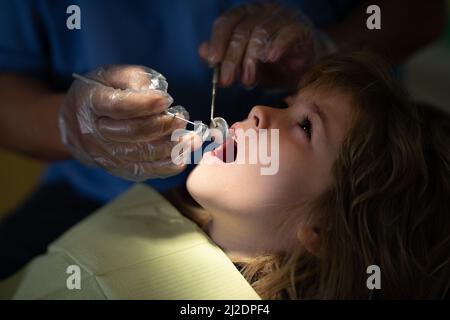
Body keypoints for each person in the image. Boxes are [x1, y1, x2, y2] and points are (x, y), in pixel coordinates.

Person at [0, 1, 446, 279]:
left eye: (305, 125)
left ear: (323, 231)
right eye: (290, 104)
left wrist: (331, 48)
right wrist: (66, 123)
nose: (258, 108)